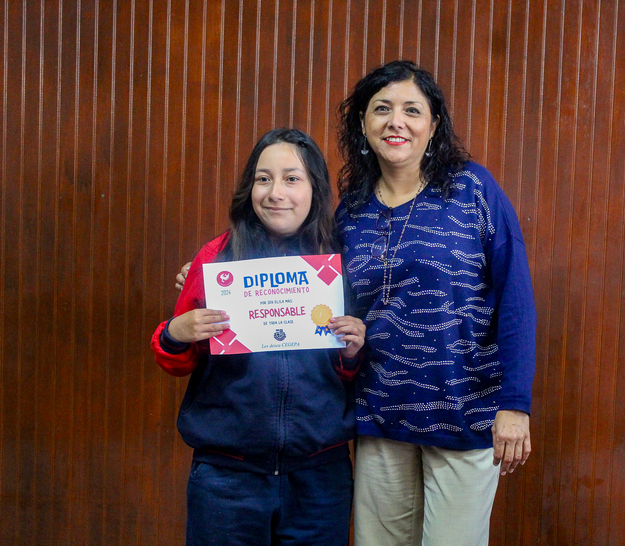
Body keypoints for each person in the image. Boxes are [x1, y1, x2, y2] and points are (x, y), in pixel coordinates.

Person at [336, 60, 536, 545]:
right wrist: (211, 276)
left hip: (464, 410)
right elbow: (314, 294)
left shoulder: (473, 189)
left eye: (412, 110)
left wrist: (515, 403)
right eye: (381, 109)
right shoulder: (351, 209)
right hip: (380, 415)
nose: (396, 121)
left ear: (434, 123)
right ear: (363, 121)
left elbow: (515, 298)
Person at [152, 128, 365, 545]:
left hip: (319, 476)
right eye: (263, 179)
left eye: (292, 178)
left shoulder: (338, 262)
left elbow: (346, 372)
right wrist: (175, 333)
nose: (275, 193)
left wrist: (352, 352)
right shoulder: (216, 258)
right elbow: (176, 361)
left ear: (315, 189)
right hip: (227, 476)